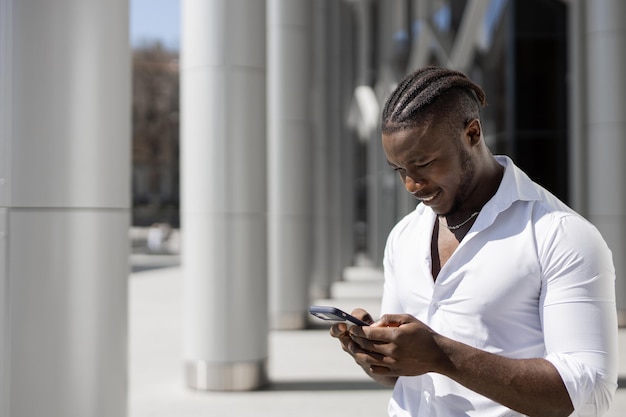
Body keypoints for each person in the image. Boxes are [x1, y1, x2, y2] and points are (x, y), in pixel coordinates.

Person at [330, 66, 618, 417]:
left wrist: (441, 354)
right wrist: (377, 353)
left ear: (472, 133)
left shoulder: (561, 235)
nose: (411, 184)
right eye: (399, 169)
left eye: (423, 164)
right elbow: (403, 375)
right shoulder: (404, 235)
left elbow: (590, 392)